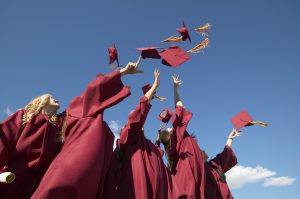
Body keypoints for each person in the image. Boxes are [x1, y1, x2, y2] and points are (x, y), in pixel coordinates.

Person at [0, 59, 142, 199]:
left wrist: (123, 72)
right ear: (40, 101)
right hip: (11, 181)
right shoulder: (24, 117)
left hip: (41, 187)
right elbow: (3, 139)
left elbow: (89, 96)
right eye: (50, 97)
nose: (55, 98)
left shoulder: (62, 124)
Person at [104, 69, 172, 199]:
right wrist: (153, 89)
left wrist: (159, 136)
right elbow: (137, 116)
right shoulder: (130, 139)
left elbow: (159, 151)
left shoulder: (148, 145)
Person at [158, 75, 205, 199]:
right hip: (189, 178)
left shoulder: (175, 150)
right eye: (170, 130)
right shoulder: (178, 137)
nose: (172, 128)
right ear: (170, 136)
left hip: (186, 177)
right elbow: (179, 108)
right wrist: (176, 89)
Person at [203, 129, 240, 199]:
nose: (203, 150)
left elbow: (226, 154)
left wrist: (230, 139)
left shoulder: (213, 165)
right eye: (200, 150)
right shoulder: (197, 169)